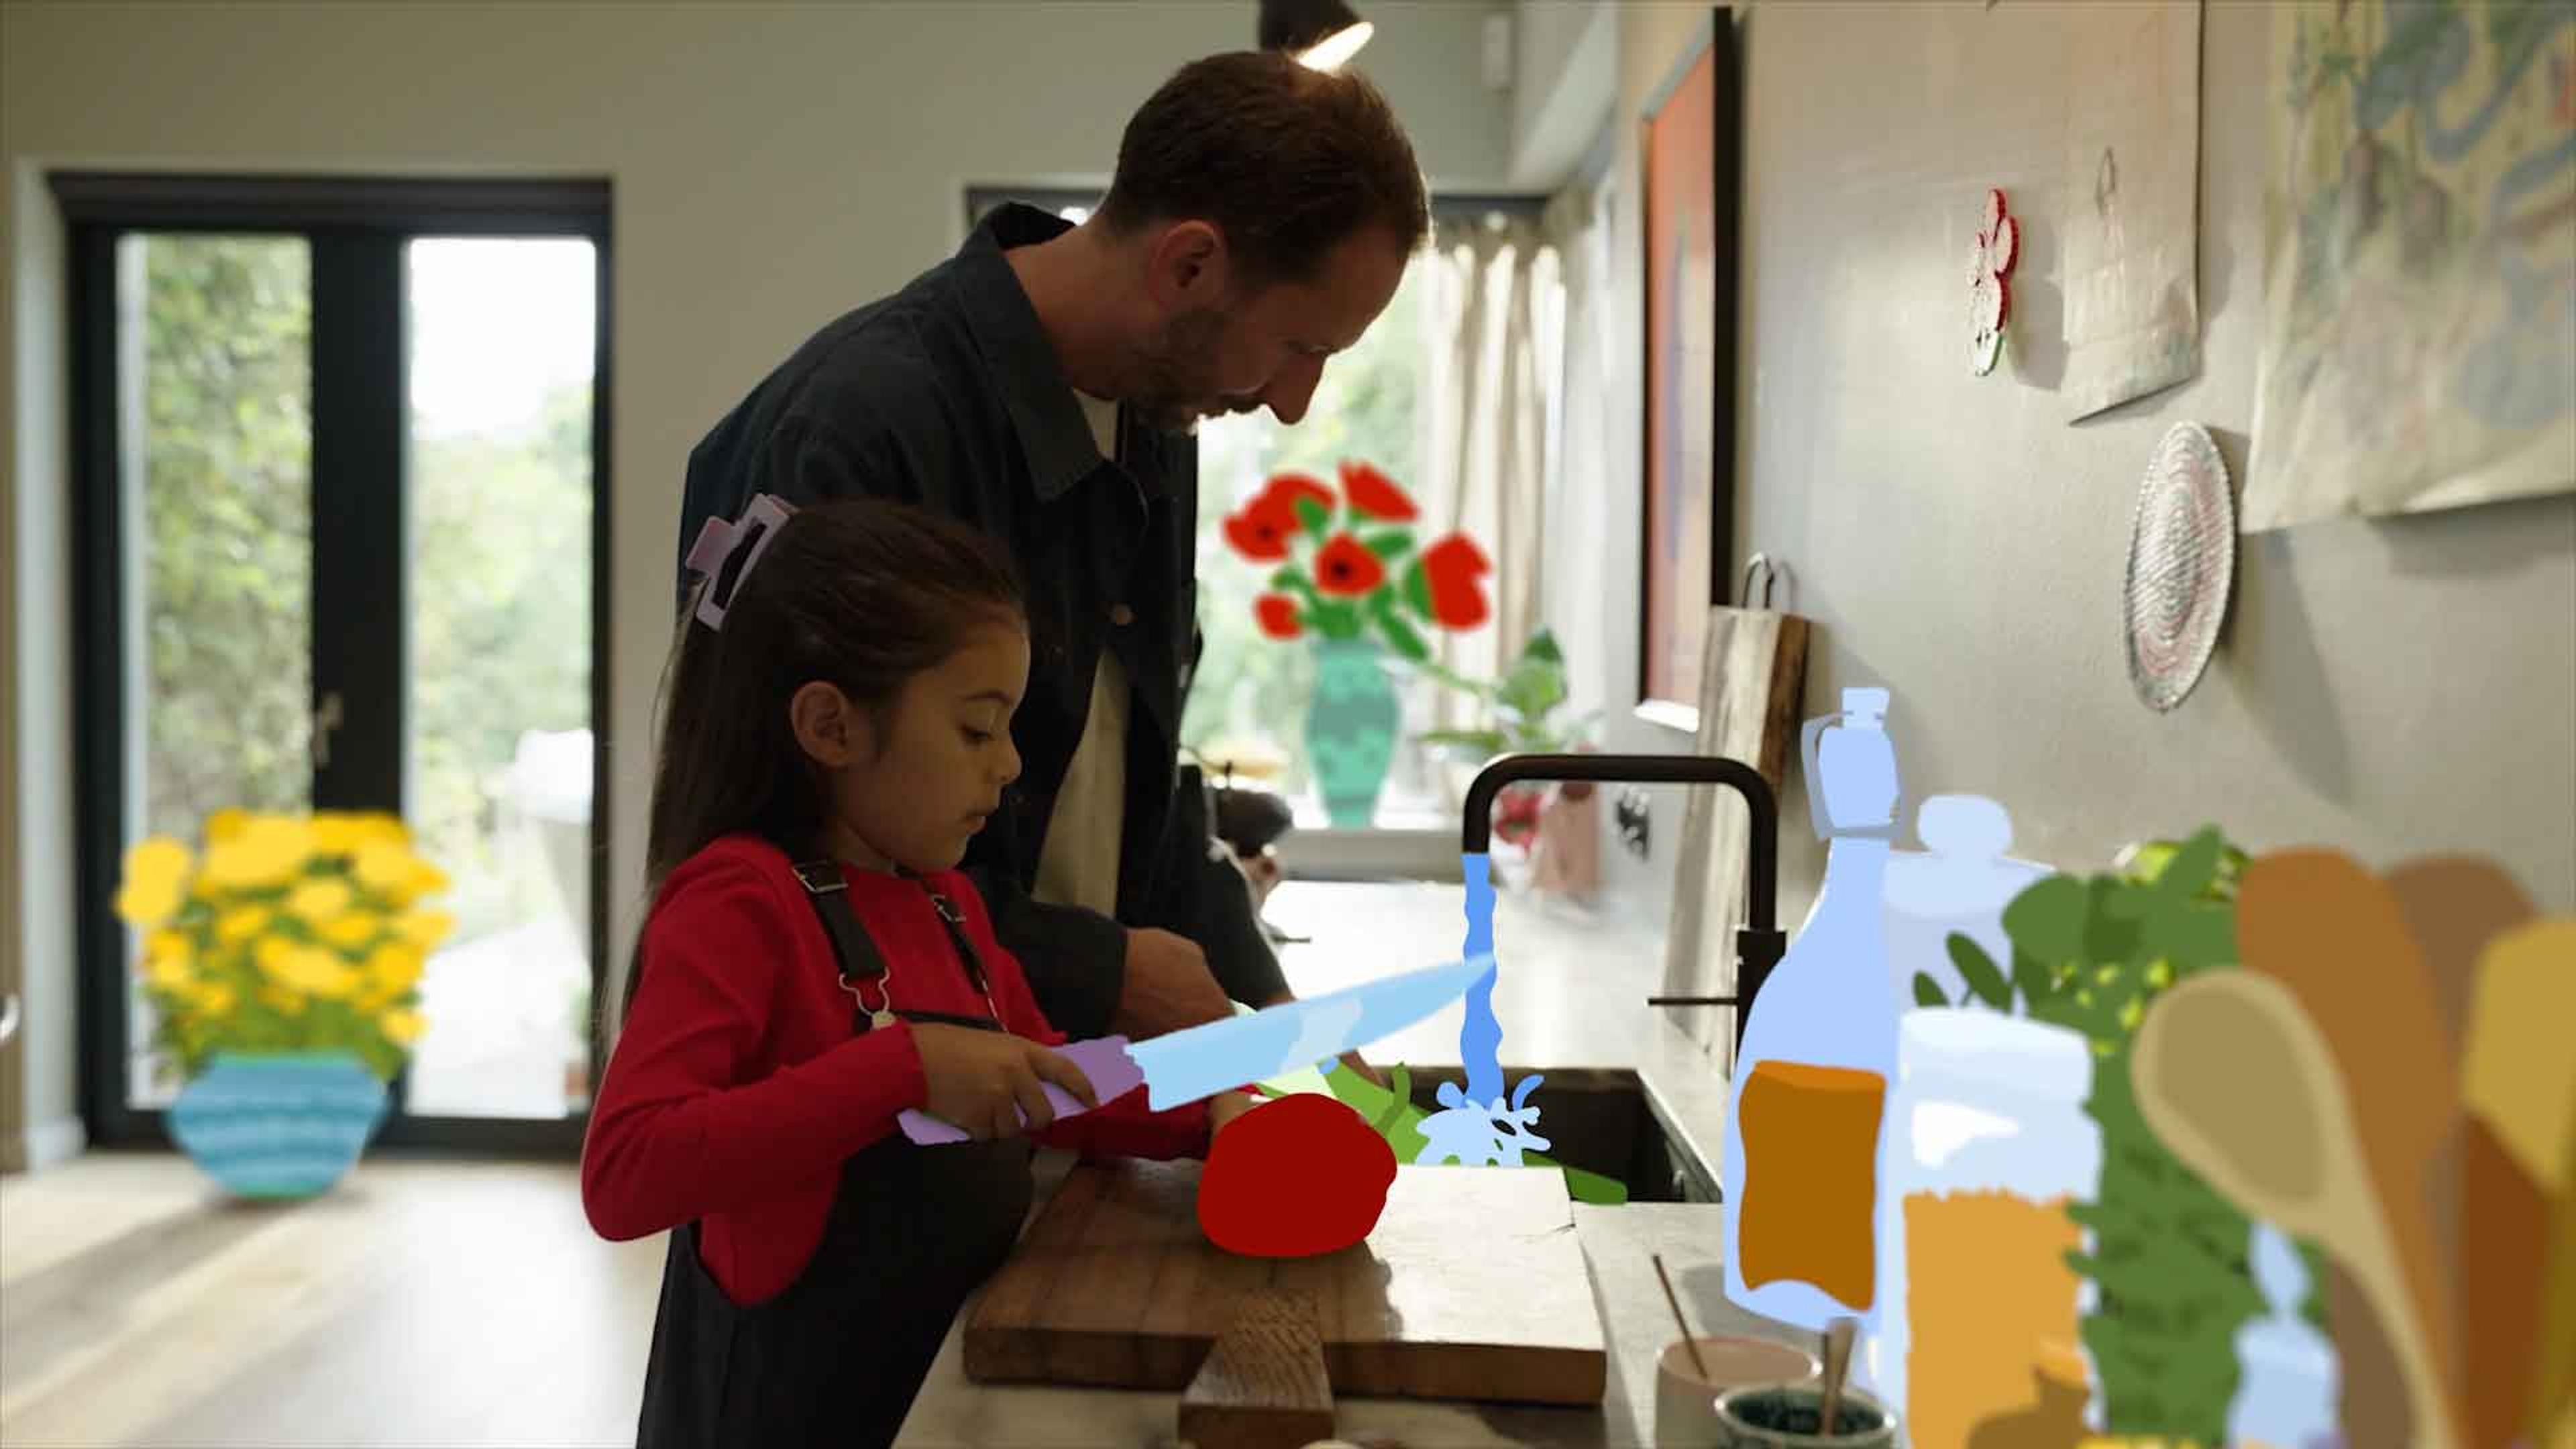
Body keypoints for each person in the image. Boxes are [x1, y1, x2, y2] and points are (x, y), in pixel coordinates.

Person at [674, 51, 1432, 1064]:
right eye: (1300, 347)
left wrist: (1276, 1019)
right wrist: (1100, 971)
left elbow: (1135, 781)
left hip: (1051, 1101)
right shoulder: (862, 424)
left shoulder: (1155, 420)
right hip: (859, 1165)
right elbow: (778, 857)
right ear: (1190, 265)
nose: (1293, 402)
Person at [586, 494, 1261, 1448]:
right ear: (831, 725)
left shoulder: (949, 904)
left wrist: (1216, 1111)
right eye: (978, 730)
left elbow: (1053, 1079)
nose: (1011, 766)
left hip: (928, 1411)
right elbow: (625, 1172)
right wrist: (901, 1067)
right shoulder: (738, 904)